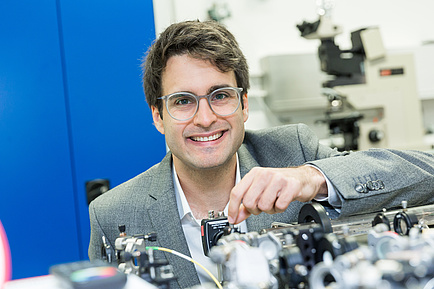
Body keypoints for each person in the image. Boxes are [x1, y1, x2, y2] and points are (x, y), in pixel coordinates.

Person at [88, 20, 434, 288]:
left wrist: (310, 177)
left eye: (220, 95)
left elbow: (427, 175)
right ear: (158, 116)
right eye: (182, 101)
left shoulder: (291, 152)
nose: (205, 118)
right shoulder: (115, 214)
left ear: (244, 104)